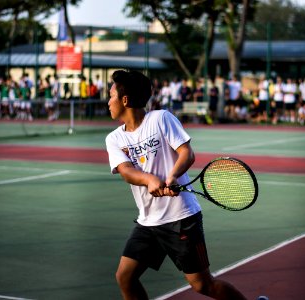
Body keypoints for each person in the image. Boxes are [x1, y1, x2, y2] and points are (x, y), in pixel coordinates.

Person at [105, 70, 247, 300]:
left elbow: (186, 153)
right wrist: (150, 179)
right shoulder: (114, 138)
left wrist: (171, 177)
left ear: (124, 100)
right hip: (148, 221)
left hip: (181, 219)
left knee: (202, 285)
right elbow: (126, 171)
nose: (107, 101)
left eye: (110, 95)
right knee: (125, 277)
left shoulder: (160, 119)